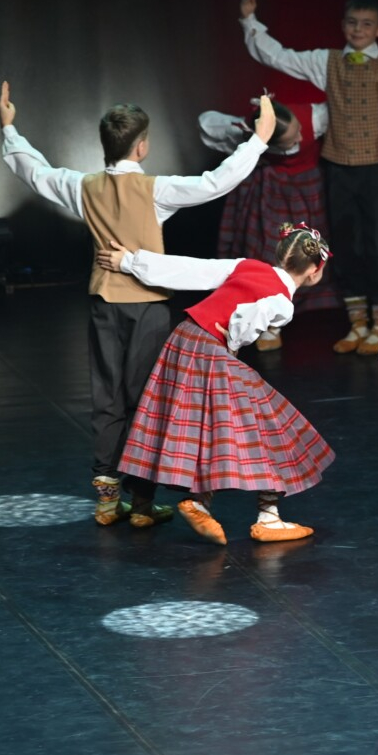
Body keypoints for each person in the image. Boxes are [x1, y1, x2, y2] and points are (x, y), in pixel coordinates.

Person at [0, 81, 274, 526]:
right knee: (145, 400)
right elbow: (216, 183)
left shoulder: (83, 187)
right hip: (147, 308)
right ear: (142, 147)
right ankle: (141, 503)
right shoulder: (155, 190)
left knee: (108, 399)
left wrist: (10, 131)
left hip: (104, 305)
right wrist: (258, 138)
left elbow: (36, 172)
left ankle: (108, 498)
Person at [238, 0, 378, 355]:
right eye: (353, 23)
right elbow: (278, 56)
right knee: (346, 244)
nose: (358, 30)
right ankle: (357, 324)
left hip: (375, 170)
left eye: (367, 24)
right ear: (343, 25)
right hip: (338, 168)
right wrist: (249, 21)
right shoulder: (327, 61)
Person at [96, 224, 336, 545]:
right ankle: (267, 516)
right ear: (316, 269)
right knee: (267, 422)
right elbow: (241, 325)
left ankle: (143, 505)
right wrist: (231, 345)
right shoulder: (283, 303)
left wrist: (129, 261)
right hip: (213, 348)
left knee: (170, 419)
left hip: (183, 337)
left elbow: (190, 269)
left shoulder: (248, 266)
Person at [198, 97, 361, 347]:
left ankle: (305, 304)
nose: (300, 139)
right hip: (269, 189)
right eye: (290, 141)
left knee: (310, 250)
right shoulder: (246, 134)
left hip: (307, 190)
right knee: (266, 248)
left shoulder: (314, 117)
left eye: (299, 132)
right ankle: (269, 320)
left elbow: (353, 115)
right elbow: (206, 123)